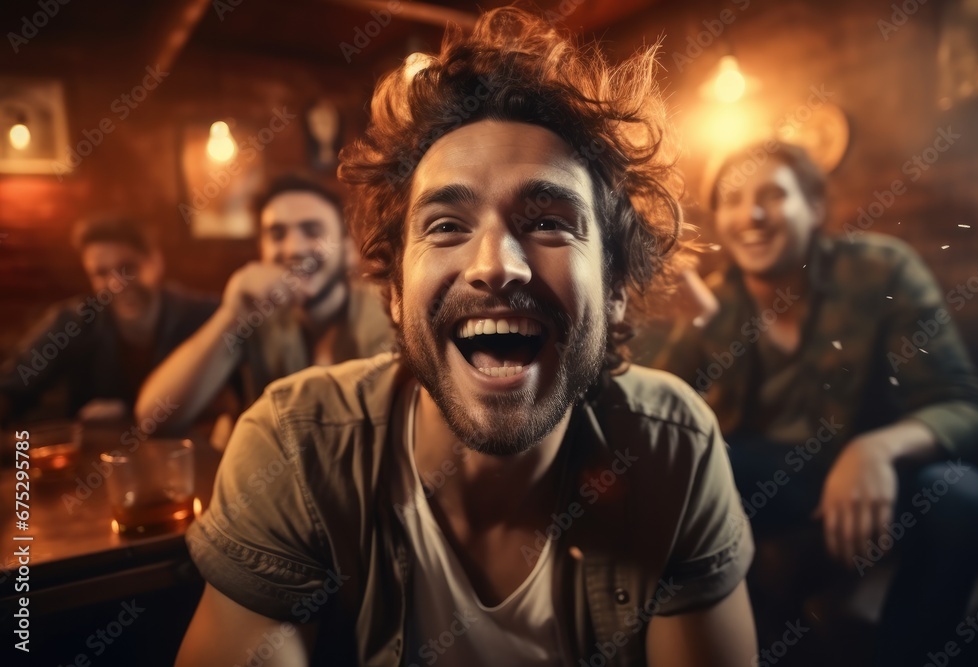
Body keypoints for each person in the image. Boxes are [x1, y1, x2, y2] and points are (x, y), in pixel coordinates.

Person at [175, 8, 757, 666]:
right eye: (447, 225)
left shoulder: (670, 447)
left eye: (548, 221)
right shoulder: (297, 447)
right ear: (393, 290)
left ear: (617, 284)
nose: (494, 265)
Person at [653, 141, 978, 666]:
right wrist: (648, 317)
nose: (753, 215)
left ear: (814, 209)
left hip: (875, 480)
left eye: (772, 195)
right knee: (680, 472)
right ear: (720, 219)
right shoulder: (712, 303)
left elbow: (964, 406)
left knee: (960, 495)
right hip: (767, 476)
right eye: (733, 199)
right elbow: (652, 418)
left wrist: (875, 450)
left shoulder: (881, 270)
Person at [135, 174, 393, 435]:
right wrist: (231, 315)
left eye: (312, 231)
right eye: (277, 234)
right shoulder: (256, 319)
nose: (293, 248)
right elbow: (153, 418)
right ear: (261, 250)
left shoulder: (390, 311)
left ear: (348, 251)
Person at [0, 215, 217, 424]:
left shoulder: (203, 317)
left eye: (127, 268)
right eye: (101, 273)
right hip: (98, 457)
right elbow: (12, 386)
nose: (116, 284)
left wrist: (128, 410)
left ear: (156, 261)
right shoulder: (71, 322)